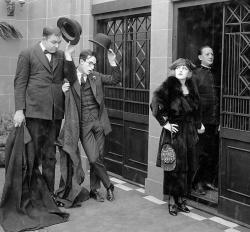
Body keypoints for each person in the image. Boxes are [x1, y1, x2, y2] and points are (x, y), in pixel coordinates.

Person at [13, 26, 75, 196]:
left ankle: (48, 195)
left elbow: (71, 78)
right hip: (34, 113)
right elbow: (20, 83)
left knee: (50, 156)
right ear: (44, 38)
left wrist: (69, 56)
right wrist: (19, 110)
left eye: (59, 43)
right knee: (31, 156)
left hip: (54, 114)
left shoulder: (62, 55)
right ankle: (30, 195)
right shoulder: (27, 54)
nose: (56, 46)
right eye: (53, 42)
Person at [62, 48, 121, 202]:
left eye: (94, 64)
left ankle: (95, 190)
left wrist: (112, 61)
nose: (92, 67)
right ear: (81, 62)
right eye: (90, 64)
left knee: (98, 157)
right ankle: (109, 186)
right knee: (94, 158)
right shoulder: (71, 78)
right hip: (83, 126)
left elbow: (115, 79)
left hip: (99, 123)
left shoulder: (96, 76)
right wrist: (62, 91)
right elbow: (62, 99)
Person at [150, 58, 204, 216]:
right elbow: (154, 104)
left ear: (189, 73)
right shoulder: (168, 85)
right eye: (178, 68)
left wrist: (199, 124)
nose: (180, 70)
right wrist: (164, 123)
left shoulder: (191, 87)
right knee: (174, 168)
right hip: (174, 133)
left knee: (188, 167)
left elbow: (197, 108)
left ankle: (181, 200)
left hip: (189, 133)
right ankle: (172, 202)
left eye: (184, 68)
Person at [192, 46, 220, 195]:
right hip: (202, 123)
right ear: (200, 57)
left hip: (214, 122)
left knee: (212, 153)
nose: (211, 56)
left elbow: (218, 98)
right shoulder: (195, 74)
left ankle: (207, 181)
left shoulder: (215, 74)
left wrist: (220, 120)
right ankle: (196, 184)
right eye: (207, 54)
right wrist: (198, 122)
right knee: (200, 154)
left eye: (212, 53)